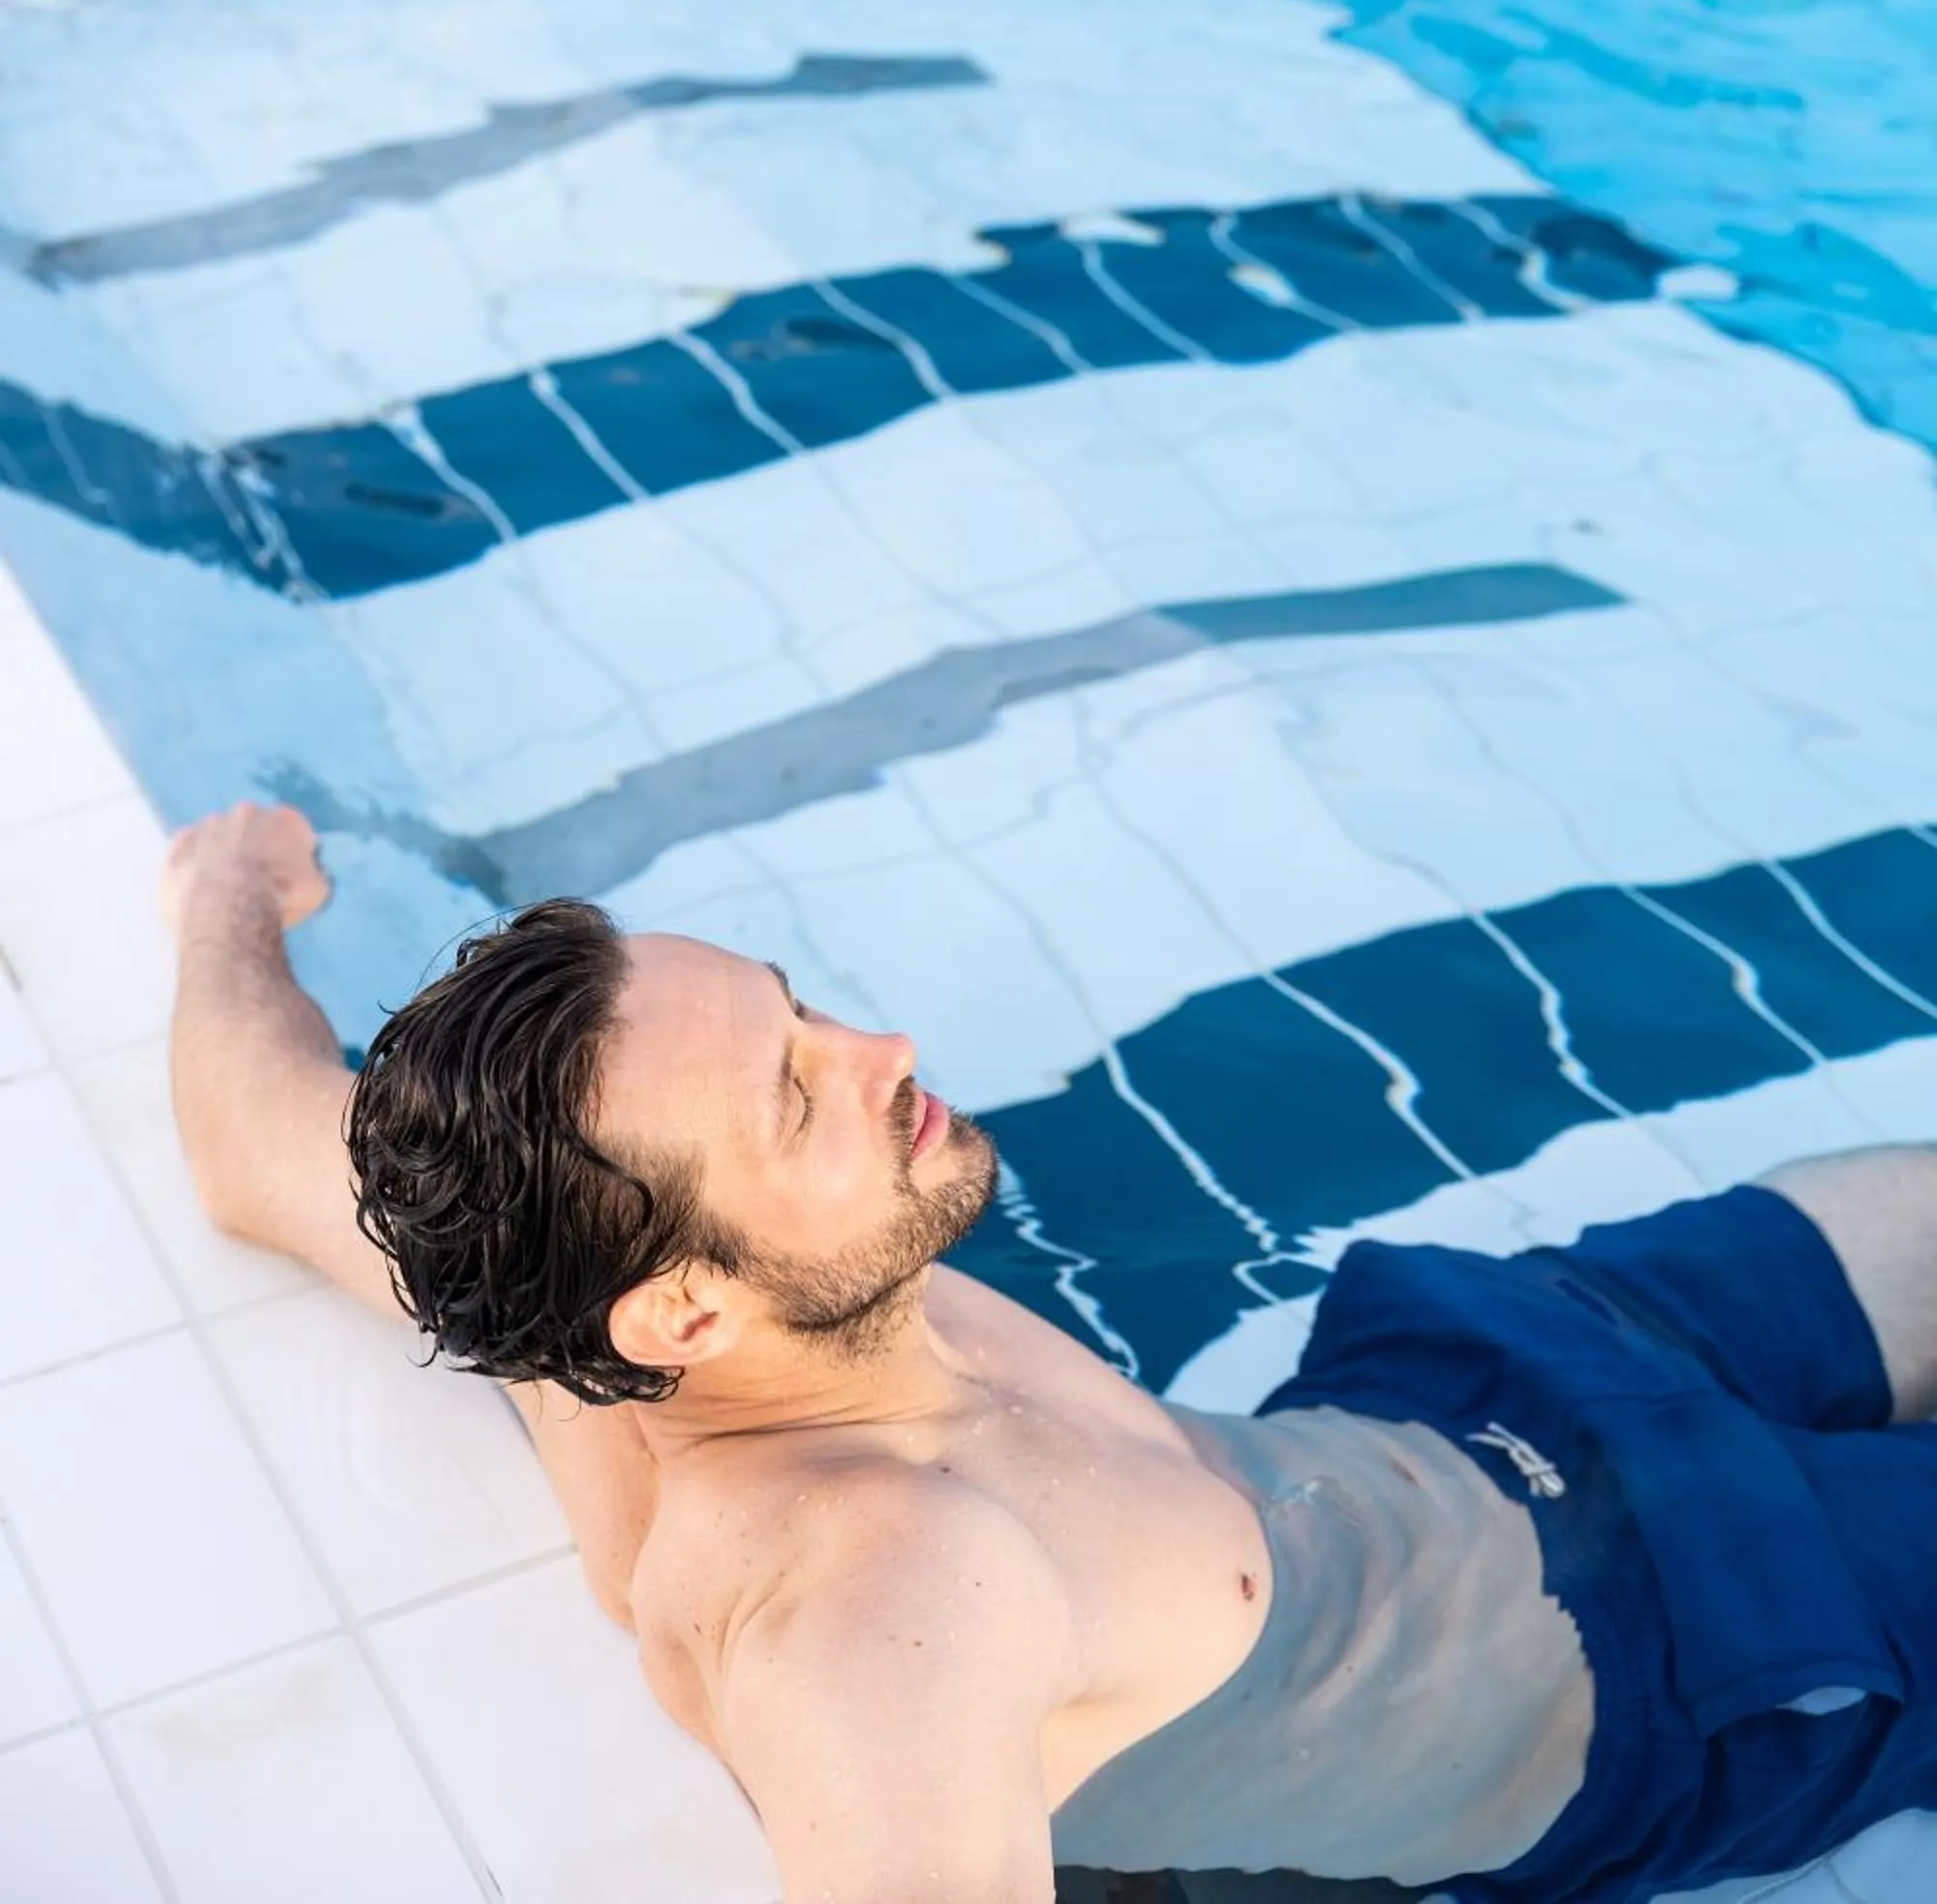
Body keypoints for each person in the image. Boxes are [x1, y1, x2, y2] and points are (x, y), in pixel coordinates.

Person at [165, 799, 1937, 1904]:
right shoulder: (874, 1594)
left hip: (1459, 1399)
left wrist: (226, 891)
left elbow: (258, 1133)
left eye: (799, 1008)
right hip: (1675, 1662)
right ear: (688, 1314)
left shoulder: (582, 1287)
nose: (882, 1048)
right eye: (797, 1095)